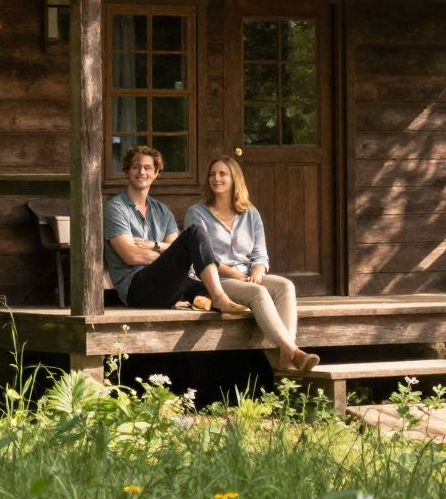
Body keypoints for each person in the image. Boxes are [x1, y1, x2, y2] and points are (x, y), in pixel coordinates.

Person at [185, 155, 319, 372]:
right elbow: (203, 256)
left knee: (285, 286)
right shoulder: (197, 213)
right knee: (259, 293)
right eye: (212, 174)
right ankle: (293, 352)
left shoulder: (250, 213)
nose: (216, 178)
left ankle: (285, 357)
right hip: (217, 280)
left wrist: (257, 272)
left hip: (247, 275)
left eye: (222, 174)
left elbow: (260, 254)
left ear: (235, 179)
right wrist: (238, 276)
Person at [103, 144, 251, 316]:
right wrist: (171, 256)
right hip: (137, 289)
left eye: (147, 167)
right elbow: (131, 256)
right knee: (194, 233)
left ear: (156, 173)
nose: (142, 172)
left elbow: (175, 250)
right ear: (127, 171)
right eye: (136, 167)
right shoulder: (116, 208)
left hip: (167, 284)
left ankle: (211, 299)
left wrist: (155, 245)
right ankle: (217, 298)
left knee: (228, 293)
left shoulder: (162, 211)